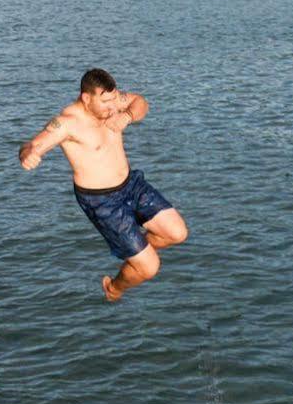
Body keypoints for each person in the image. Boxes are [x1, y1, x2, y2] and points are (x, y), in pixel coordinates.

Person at [19, 68, 189, 301]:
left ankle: (136, 250)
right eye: (105, 102)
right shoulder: (67, 123)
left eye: (114, 101)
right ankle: (114, 288)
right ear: (86, 98)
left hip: (131, 184)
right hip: (102, 201)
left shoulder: (112, 103)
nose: (112, 108)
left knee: (177, 233)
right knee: (150, 268)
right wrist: (29, 154)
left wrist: (127, 116)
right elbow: (34, 144)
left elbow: (140, 102)